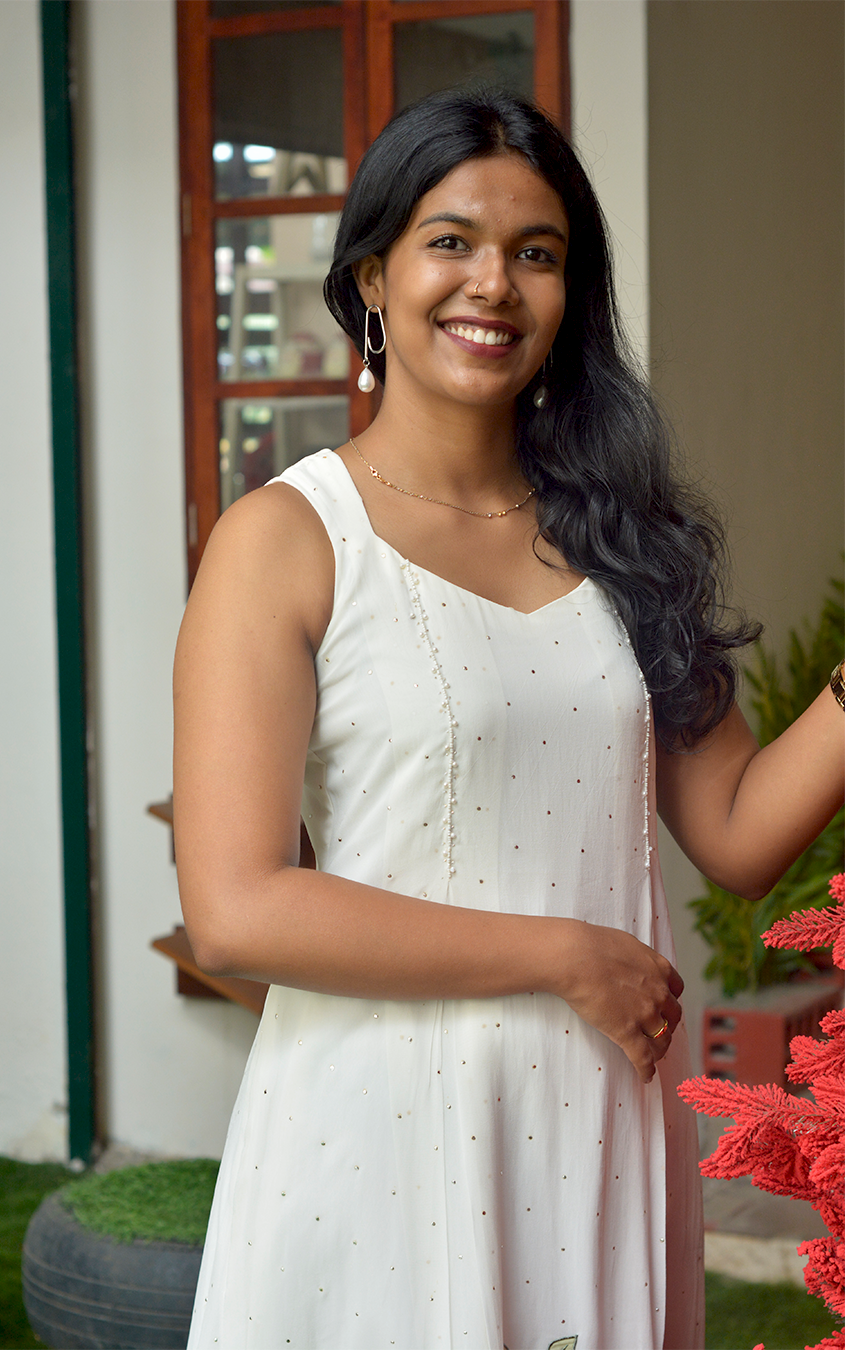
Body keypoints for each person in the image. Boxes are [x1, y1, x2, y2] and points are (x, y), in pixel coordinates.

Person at [174, 88, 844, 1350]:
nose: (493, 283)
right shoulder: (287, 540)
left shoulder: (621, 538)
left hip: (598, 1120)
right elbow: (236, 907)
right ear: (372, 276)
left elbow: (741, 833)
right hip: (378, 1134)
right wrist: (562, 955)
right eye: (452, 241)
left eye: (536, 253)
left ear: (569, 297)